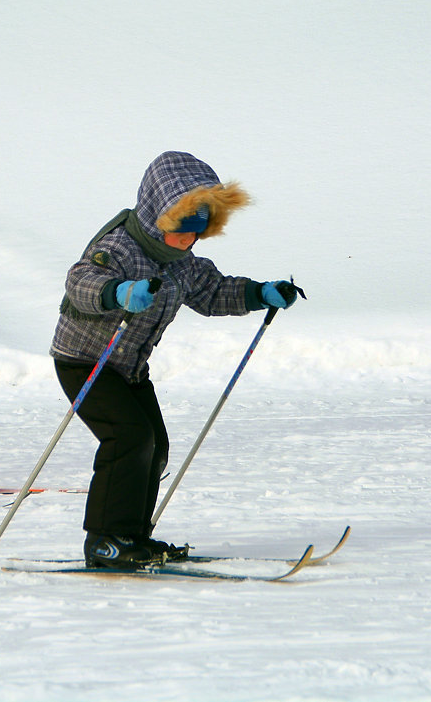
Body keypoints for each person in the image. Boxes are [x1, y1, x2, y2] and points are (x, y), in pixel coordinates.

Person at [50, 151, 300, 569]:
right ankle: (105, 543)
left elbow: (213, 292)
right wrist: (119, 291)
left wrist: (260, 293)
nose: (189, 242)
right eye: (182, 232)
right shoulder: (119, 247)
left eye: (196, 235)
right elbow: (80, 282)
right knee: (130, 438)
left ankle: (131, 536)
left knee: (155, 448)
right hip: (84, 362)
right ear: (157, 218)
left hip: (128, 367)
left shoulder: (181, 265)